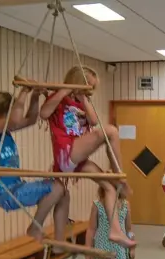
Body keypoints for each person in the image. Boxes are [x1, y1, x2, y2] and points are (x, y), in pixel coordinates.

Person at [40, 65, 135, 249]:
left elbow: (92, 121)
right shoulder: (59, 98)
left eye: (92, 89)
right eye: (88, 87)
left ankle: (114, 230)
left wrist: (83, 97)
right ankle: (120, 175)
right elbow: (44, 113)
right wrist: (63, 91)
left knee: (108, 187)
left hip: (78, 159)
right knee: (111, 131)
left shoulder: (82, 102)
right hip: (67, 152)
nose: (90, 92)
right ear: (77, 83)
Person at [0, 88, 70, 245]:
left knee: (63, 193)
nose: (12, 119)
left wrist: (34, 97)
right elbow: (15, 120)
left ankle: (60, 241)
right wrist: (23, 92)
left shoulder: (4, 132)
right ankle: (35, 227)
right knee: (57, 188)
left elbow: (30, 119)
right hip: (6, 194)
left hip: (17, 187)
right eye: (9, 114)